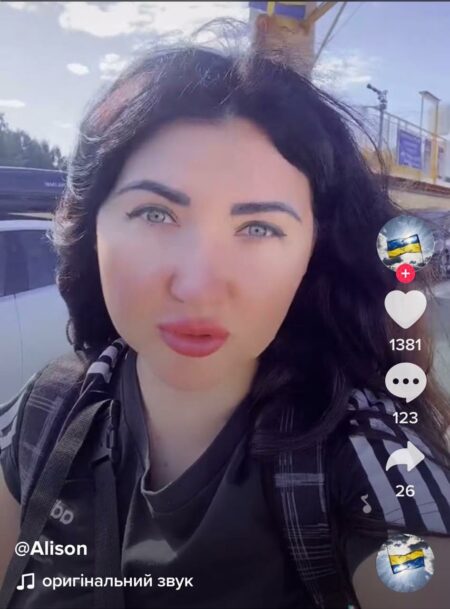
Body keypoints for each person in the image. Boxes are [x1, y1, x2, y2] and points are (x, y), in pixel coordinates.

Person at [1, 18, 449, 609]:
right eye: (155, 214)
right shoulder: (50, 409)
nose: (198, 287)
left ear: (311, 255)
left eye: (259, 228)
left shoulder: (365, 459)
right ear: (92, 230)